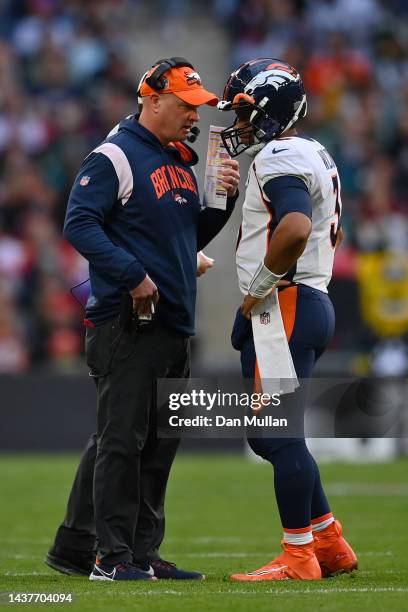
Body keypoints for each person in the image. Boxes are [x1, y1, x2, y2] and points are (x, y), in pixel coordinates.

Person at [45, 57, 240, 582]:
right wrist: (133, 276)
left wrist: (224, 198)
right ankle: (109, 557)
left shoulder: (175, 159)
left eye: (197, 107)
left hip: (173, 323)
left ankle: (140, 551)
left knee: (158, 445)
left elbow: (184, 239)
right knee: (122, 442)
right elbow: (79, 223)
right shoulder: (114, 155)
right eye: (184, 105)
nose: (193, 117)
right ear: (152, 100)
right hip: (127, 322)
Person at [218, 58, 357, 581]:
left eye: (245, 110)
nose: (238, 123)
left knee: (275, 435)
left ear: (271, 109)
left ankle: (299, 556)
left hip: (287, 301)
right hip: (308, 299)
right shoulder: (309, 149)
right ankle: (329, 541)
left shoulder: (279, 153)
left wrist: (254, 294)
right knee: (271, 434)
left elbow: (295, 226)